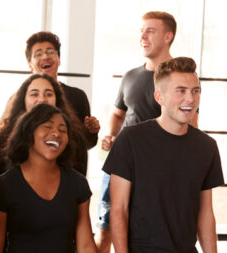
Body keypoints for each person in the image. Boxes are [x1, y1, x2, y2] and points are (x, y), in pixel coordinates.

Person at [94, 12, 198, 251]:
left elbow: (191, 125)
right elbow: (118, 113)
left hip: (156, 173)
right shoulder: (130, 76)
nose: (142, 35)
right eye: (141, 30)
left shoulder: (181, 80)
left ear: (168, 36)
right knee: (105, 228)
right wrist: (110, 135)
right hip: (120, 167)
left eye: (150, 30)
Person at [105, 57, 223, 252]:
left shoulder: (207, 147)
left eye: (195, 91)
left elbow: (206, 214)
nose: (190, 99)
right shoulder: (131, 140)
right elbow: (119, 210)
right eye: (181, 91)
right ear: (159, 97)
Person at [0, 104, 96, 253]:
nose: (56, 133)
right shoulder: (4, 186)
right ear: (29, 132)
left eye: (62, 130)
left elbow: (86, 246)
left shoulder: (78, 183)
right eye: (48, 127)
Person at [0, 74, 88, 183]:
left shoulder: (75, 138)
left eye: (49, 94)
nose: (41, 99)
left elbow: (79, 189)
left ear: (57, 100)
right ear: (23, 100)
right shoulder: (4, 137)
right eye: (34, 94)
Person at [24, 31, 99, 148]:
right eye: (38, 54)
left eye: (50, 52)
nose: (45, 56)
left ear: (59, 59)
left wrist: (91, 131)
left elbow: (86, 144)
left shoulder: (77, 96)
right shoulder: (21, 98)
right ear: (30, 64)